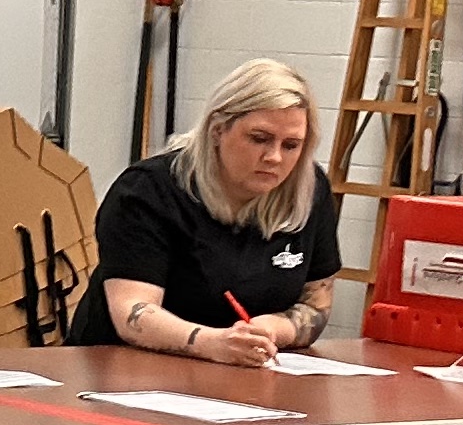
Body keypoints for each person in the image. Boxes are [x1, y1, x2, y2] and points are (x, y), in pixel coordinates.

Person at [74, 57, 344, 363]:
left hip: (239, 371)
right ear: (218, 129)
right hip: (124, 368)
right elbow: (132, 312)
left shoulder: (309, 189)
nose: (274, 157)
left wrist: (271, 329)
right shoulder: (148, 190)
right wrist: (209, 342)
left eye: (291, 145)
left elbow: (316, 304)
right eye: (259, 139)